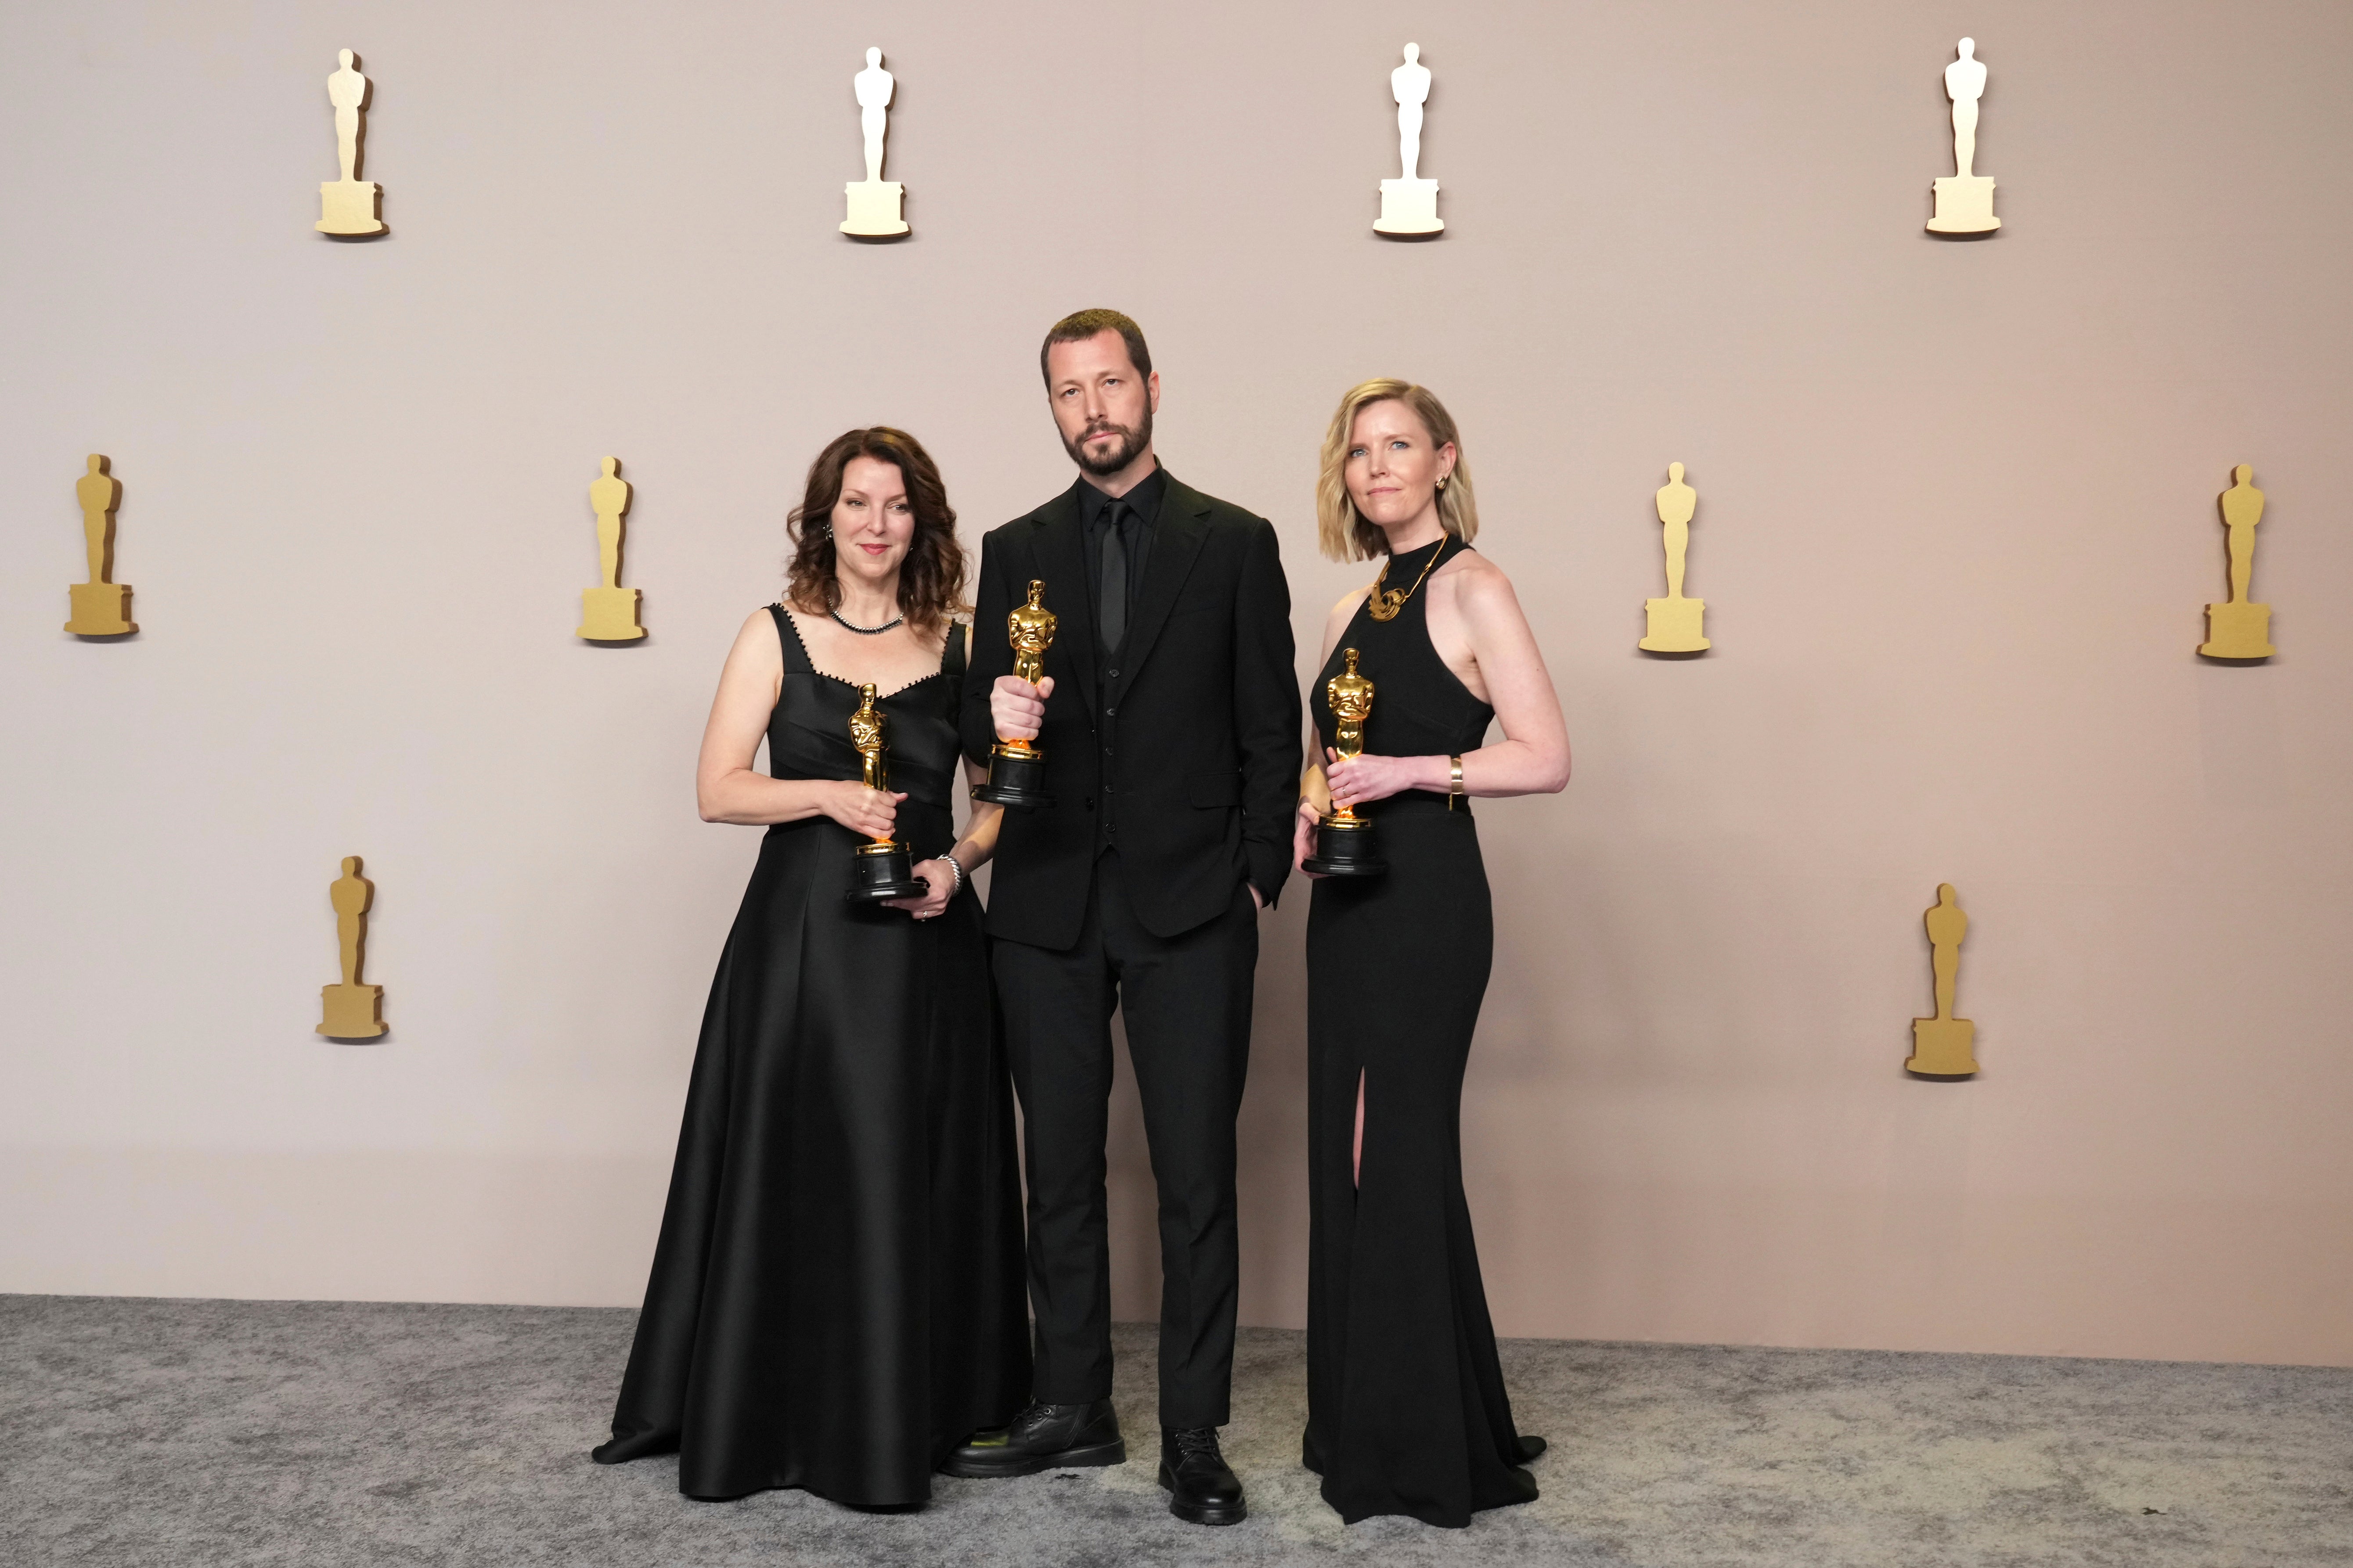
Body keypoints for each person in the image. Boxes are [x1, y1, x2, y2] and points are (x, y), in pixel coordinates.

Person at [591, 428, 1029, 1507]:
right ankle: (784, 1413)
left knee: (917, 1164)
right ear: (823, 517)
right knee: (804, 1164)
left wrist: (957, 865)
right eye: (857, 503)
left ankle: (923, 1406)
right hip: (804, 945)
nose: (877, 523)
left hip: (928, 942)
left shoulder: (964, 642)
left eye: (897, 505)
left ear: (921, 523)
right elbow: (718, 788)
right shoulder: (774, 632)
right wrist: (828, 794)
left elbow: (1003, 797)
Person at [944, 310, 1301, 1528]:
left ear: (1152, 386)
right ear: (1051, 407)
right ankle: (1072, 1403)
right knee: (1060, 1171)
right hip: (1045, 902)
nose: (1092, 407)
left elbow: (1270, 722)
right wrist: (998, 721)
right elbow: (990, 734)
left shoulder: (1234, 541)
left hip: (1194, 903)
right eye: (1068, 390)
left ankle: (1193, 1429)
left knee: (1197, 1175)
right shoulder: (1015, 549)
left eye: (1110, 383)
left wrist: (1259, 872)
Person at [1294, 380, 1570, 1528]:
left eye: (1399, 445)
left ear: (1444, 460)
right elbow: (1325, 751)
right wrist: (1311, 802)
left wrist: (1411, 771)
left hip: (1430, 903)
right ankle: (1407, 1411)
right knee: (1350, 1155)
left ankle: (1414, 1445)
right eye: (1359, 450)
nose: (1376, 466)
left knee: (1393, 1152)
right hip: (1346, 905)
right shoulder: (1345, 607)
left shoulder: (1476, 586)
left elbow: (1545, 755)